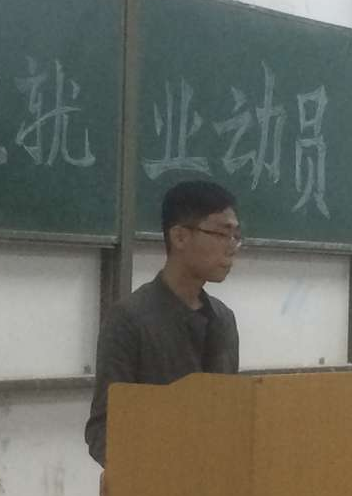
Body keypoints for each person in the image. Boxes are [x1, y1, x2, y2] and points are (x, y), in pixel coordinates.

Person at [85, 180, 242, 474]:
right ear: (180, 237)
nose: (232, 248)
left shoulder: (223, 319)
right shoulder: (129, 318)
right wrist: (143, 468)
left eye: (236, 236)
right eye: (222, 234)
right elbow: (103, 428)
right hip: (154, 487)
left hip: (216, 485)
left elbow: (231, 415)